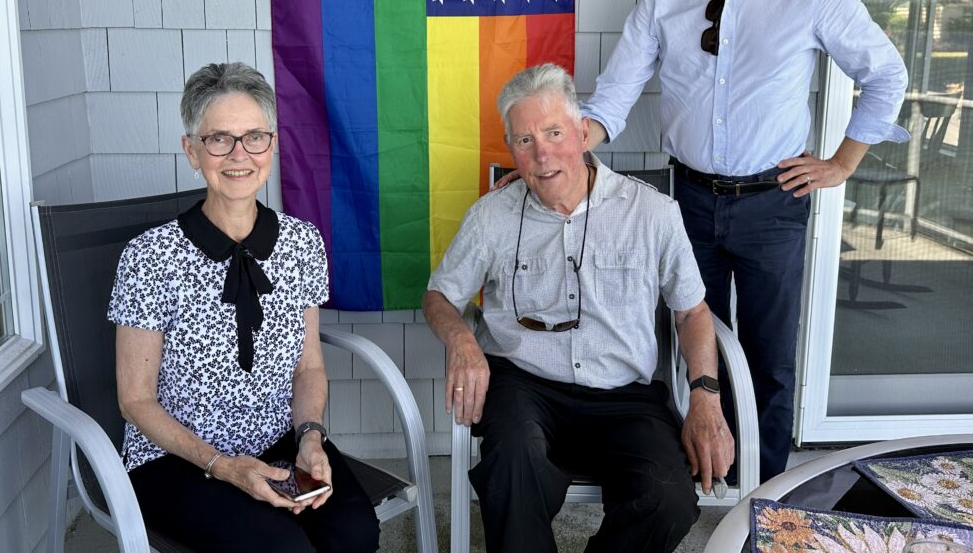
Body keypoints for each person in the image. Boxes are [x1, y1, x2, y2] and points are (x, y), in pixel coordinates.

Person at [580, 0, 909, 481]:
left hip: (773, 203)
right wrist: (562, 146)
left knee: (767, 356)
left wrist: (842, 162)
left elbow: (885, 74)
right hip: (688, 202)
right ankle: (701, 477)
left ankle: (767, 491)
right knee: (692, 348)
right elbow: (614, 97)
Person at [423, 64, 735, 553]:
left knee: (669, 497)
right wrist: (462, 340)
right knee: (512, 464)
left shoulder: (652, 213)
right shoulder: (492, 216)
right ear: (511, 150)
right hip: (524, 386)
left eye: (553, 133)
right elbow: (439, 295)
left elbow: (692, 312)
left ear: (583, 132)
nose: (542, 154)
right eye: (524, 141)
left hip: (624, 393)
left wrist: (706, 398)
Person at [108, 62, 379, 553]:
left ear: (271, 147)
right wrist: (222, 465)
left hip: (278, 440)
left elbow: (309, 366)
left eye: (254, 137)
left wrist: (311, 438)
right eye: (219, 139)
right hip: (177, 460)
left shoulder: (301, 242)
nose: (239, 155)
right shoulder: (149, 257)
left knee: (356, 534)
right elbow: (135, 400)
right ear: (192, 150)